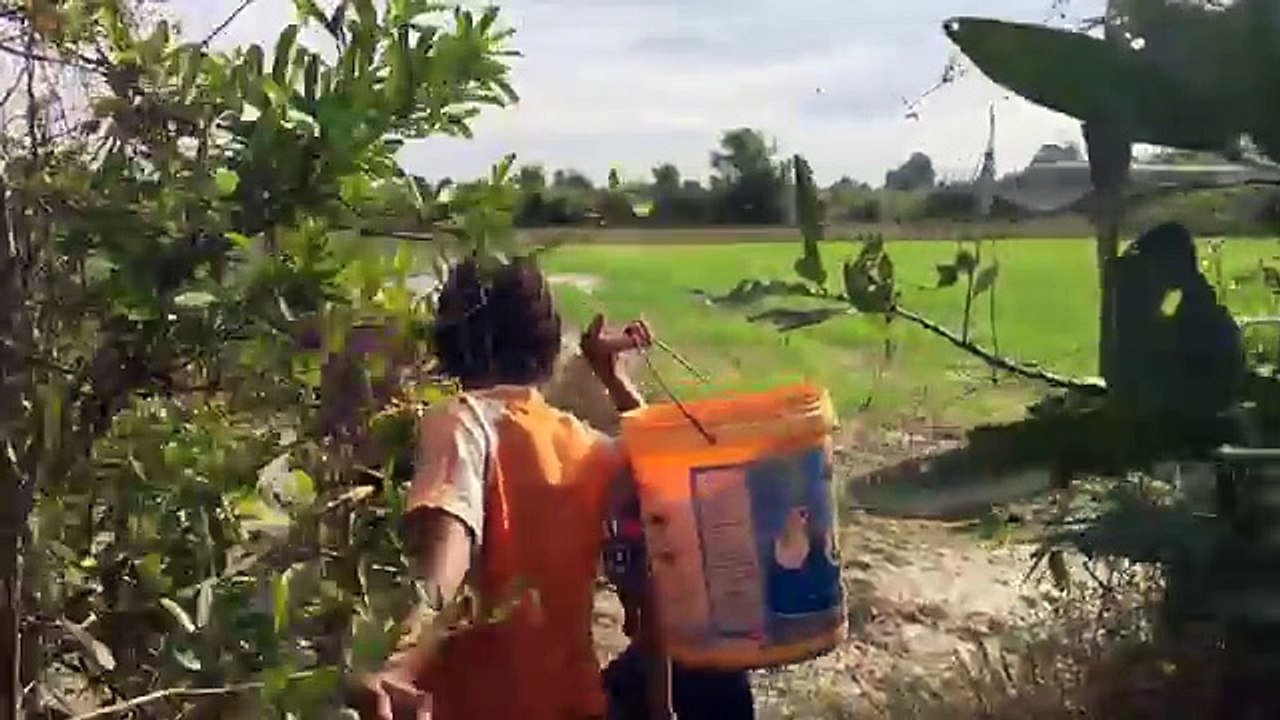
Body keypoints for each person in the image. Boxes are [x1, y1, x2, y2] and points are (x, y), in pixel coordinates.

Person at [351, 254, 654, 720]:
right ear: (547, 341)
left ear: (449, 337)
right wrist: (614, 378)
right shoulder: (588, 447)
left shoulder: (462, 421)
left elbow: (447, 555)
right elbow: (661, 463)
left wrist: (395, 666)